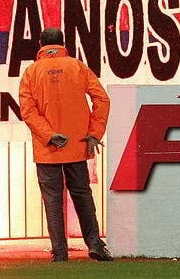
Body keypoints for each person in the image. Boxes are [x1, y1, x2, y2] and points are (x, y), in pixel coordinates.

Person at [19, 27, 113, 263]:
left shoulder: (31, 72)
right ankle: (95, 245)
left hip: (47, 149)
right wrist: (94, 133)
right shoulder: (78, 67)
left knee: (52, 199)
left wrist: (49, 135)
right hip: (77, 146)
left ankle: (60, 253)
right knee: (82, 195)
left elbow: (27, 112)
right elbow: (102, 99)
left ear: (40, 44)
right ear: (64, 43)